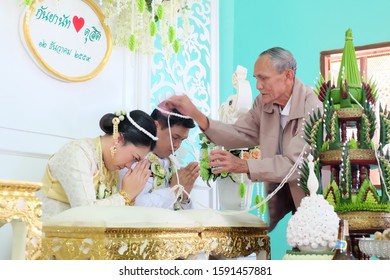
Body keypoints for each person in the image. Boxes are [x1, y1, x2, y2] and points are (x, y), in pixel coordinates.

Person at [166, 47, 323, 231]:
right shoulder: (263, 104)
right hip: (293, 204)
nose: (258, 85)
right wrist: (197, 115)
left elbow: (294, 164)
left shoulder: (313, 108)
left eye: (263, 78)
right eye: (256, 78)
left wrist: (243, 165)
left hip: (318, 205)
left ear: (288, 76)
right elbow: (239, 133)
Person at [37, 110, 158, 220]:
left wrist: (130, 197)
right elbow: (85, 214)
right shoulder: (77, 153)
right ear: (118, 138)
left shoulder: (111, 168)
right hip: (49, 237)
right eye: (134, 158)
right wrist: (126, 195)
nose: (129, 166)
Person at [133, 101, 200, 210]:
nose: (177, 145)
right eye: (175, 137)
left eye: (182, 140)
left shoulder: (173, 163)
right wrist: (172, 191)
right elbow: (133, 205)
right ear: (156, 126)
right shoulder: (134, 159)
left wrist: (183, 196)